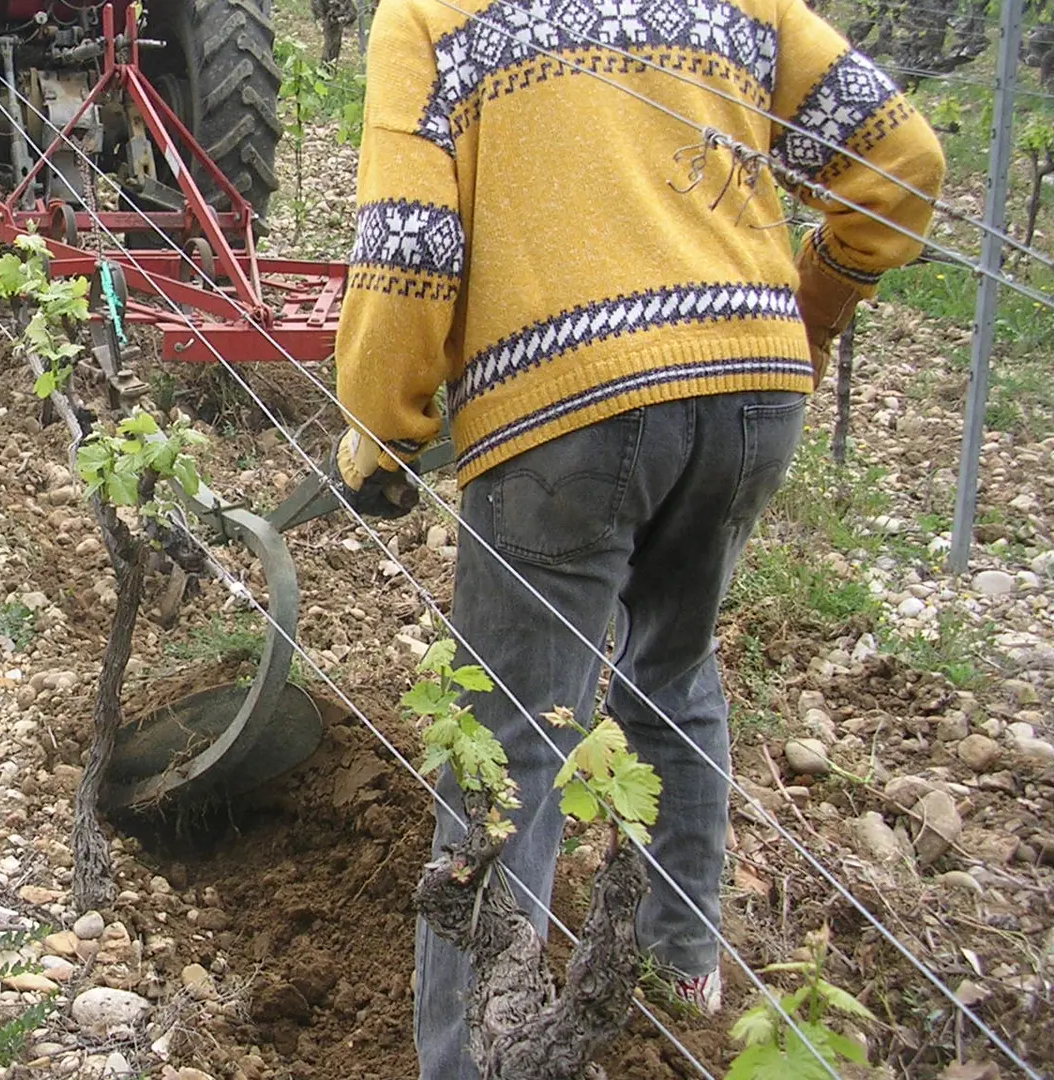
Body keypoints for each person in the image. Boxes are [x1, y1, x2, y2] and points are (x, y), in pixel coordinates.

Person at [326, 0, 945, 1075]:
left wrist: (384, 433)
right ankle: (678, 972)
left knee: (508, 746)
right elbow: (902, 158)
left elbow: (409, 249)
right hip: (752, 391)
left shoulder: (429, 13)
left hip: (566, 409)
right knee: (672, 664)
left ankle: (470, 1063)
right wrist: (816, 305)